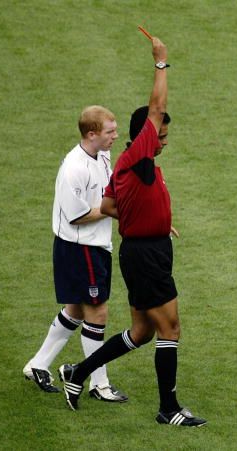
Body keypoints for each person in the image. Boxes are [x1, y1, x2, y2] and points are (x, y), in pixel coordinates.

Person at [58, 35, 206, 427]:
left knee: (141, 332)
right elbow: (157, 108)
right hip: (146, 257)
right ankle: (168, 409)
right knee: (170, 328)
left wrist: (151, 219)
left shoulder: (131, 167)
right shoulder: (137, 154)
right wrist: (161, 62)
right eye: (162, 135)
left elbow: (109, 206)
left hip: (146, 248)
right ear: (147, 135)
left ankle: (77, 373)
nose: (165, 141)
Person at [23, 105, 127, 403]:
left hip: (93, 246)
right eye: (110, 132)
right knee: (98, 313)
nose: (115, 136)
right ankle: (99, 383)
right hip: (81, 248)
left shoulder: (102, 154)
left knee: (77, 310)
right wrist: (118, 212)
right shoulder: (74, 168)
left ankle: (38, 364)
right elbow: (77, 215)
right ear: (91, 134)